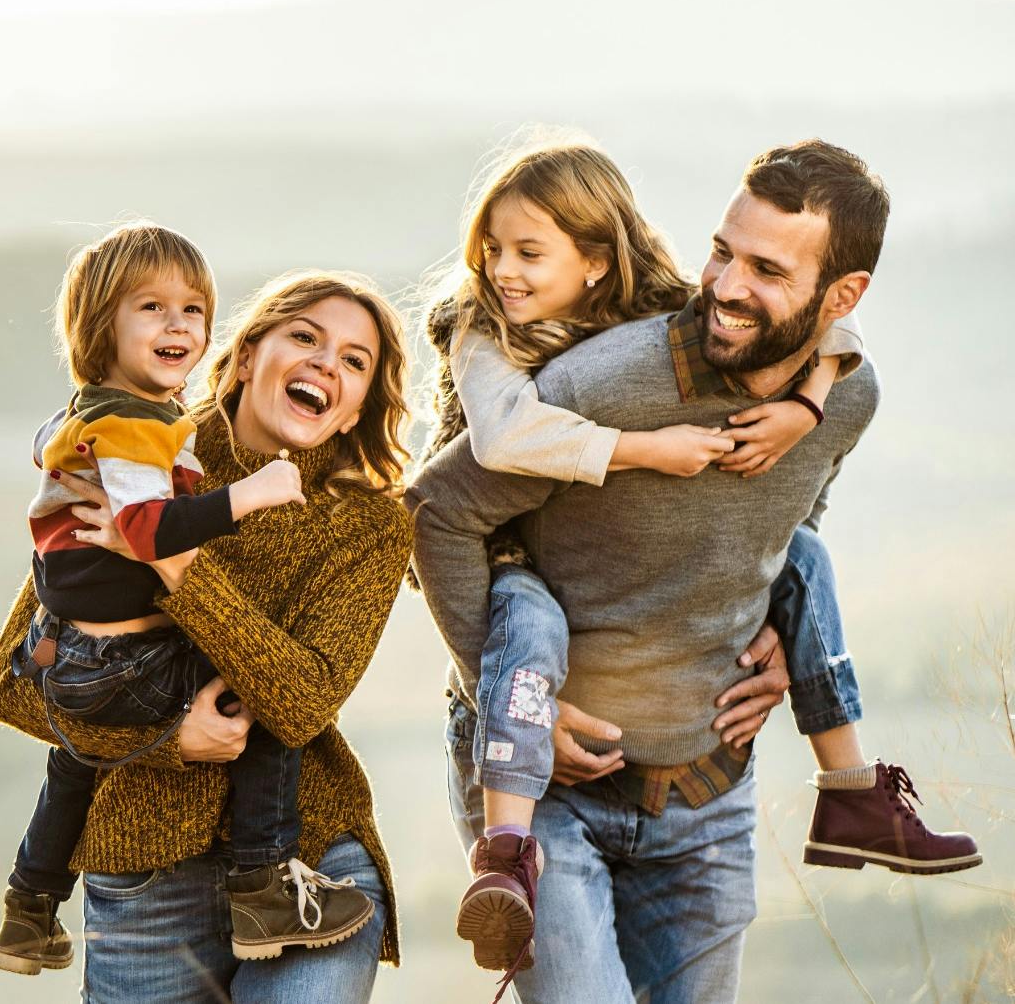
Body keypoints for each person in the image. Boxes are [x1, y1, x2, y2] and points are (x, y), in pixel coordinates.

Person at [410, 139, 978, 1004]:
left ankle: (852, 791)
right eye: (722, 251)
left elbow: (796, 516)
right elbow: (437, 511)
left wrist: (784, 632)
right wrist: (517, 705)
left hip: (707, 791)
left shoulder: (845, 397)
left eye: (767, 270)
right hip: (547, 787)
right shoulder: (596, 384)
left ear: (843, 297)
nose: (725, 285)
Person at [0, 269, 415, 1003]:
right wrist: (168, 739)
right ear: (246, 356)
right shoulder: (138, 455)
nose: (324, 364)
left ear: (353, 412)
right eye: (304, 337)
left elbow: (303, 703)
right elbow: (11, 686)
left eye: (353, 360)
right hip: (142, 880)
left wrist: (173, 557)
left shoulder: (370, 523)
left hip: (310, 861)